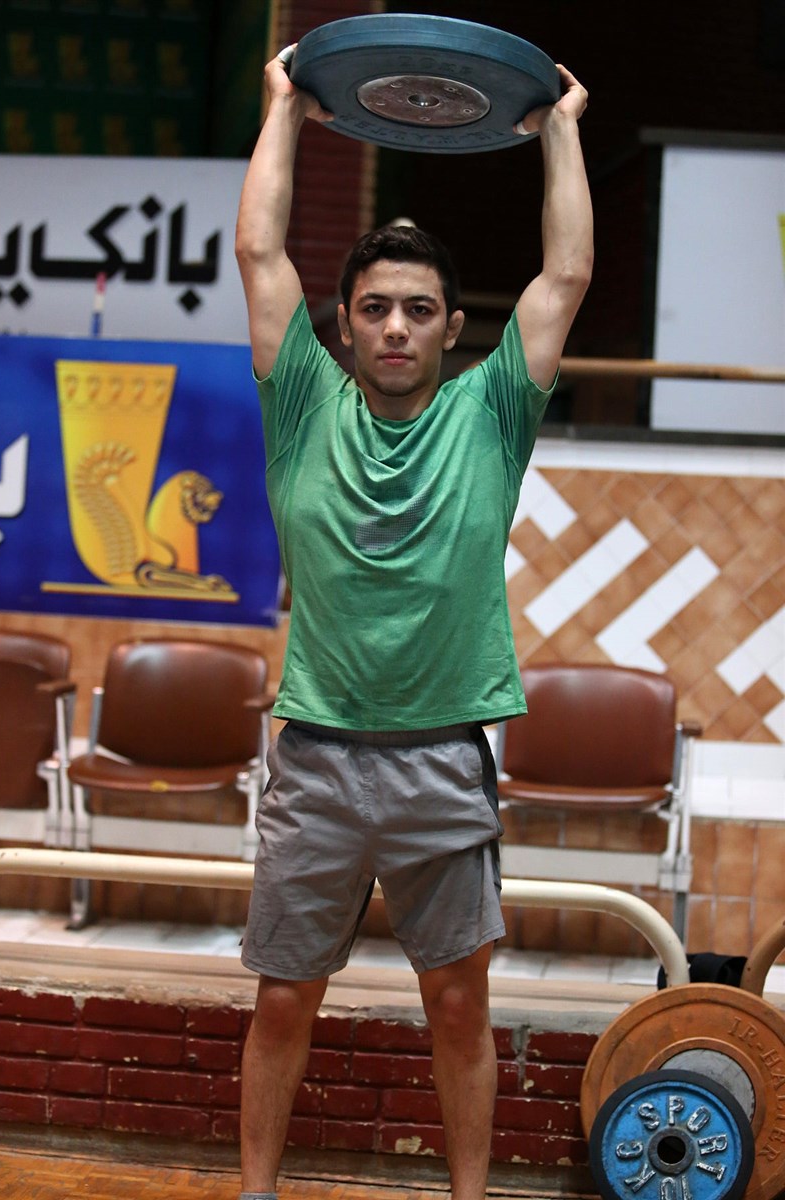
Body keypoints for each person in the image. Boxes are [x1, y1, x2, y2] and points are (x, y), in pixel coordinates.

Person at [234, 40, 592, 1200]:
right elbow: (258, 252)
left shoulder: (491, 415)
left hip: (442, 758)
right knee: (283, 998)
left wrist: (560, 128)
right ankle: (254, 1193)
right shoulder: (299, 403)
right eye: (375, 308)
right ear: (343, 326)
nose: (395, 325)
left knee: (456, 1004)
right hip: (317, 759)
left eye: (418, 310)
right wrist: (286, 107)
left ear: (449, 328)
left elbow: (563, 276)